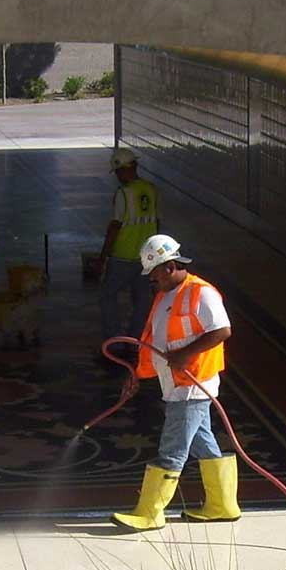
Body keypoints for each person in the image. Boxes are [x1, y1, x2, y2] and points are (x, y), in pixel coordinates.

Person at [112, 234, 240, 530]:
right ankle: (222, 505)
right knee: (202, 442)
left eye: (154, 274)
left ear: (169, 266)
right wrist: (137, 374)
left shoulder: (201, 293)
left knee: (172, 448)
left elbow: (222, 331)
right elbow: (156, 341)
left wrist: (184, 355)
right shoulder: (165, 295)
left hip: (193, 384)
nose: (152, 280)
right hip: (175, 383)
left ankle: (150, 512)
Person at [97, 147, 160, 342]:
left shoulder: (123, 194)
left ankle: (115, 342)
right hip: (146, 257)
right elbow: (156, 222)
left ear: (123, 169)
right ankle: (136, 342)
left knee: (107, 296)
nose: (117, 176)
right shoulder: (151, 189)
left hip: (122, 256)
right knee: (142, 301)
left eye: (117, 172)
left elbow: (115, 227)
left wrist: (102, 257)